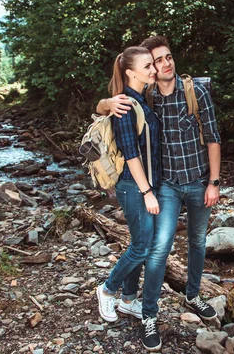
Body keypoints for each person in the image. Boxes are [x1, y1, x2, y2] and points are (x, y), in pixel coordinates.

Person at [97, 36, 222, 346]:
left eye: (166, 58)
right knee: (157, 248)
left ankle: (192, 294)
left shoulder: (197, 91)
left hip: (198, 180)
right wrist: (107, 103)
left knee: (197, 240)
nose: (162, 65)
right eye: (154, 62)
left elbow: (213, 138)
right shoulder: (146, 96)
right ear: (144, 69)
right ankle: (148, 313)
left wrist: (214, 183)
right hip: (163, 186)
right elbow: (116, 112)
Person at [95, 46, 164, 352]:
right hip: (133, 186)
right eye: (147, 66)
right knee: (142, 246)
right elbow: (130, 153)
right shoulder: (124, 104)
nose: (154, 69)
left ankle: (127, 300)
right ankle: (108, 289)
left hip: (144, 185)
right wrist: (148, 192)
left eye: (153, 64)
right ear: (130, 73)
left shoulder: (140, 99)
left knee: (140, 243)